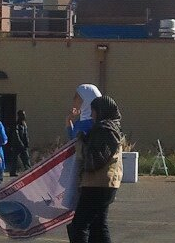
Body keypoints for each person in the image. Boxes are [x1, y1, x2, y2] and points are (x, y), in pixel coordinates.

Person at [68, 95, 123, 243]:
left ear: (101, 111)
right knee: (98, 226)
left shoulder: (105, 130)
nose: (92, 115)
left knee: (79, 226)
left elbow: (96, 158)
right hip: (106, 183)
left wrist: (80, 144)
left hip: (97, 184)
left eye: (93, 111)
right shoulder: (111, 128)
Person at [9, 110, 31, 177]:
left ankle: (28, 170)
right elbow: (16, 135)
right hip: (17, 145)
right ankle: (13, 172)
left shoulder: (24, 124)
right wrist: (21, 144)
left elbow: (26, 135)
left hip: (24, 145)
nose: (24, 116)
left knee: (26, 158)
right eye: (23, 115)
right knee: (15, 159)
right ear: (19, 116)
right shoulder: (17, 124)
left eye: (24, 114)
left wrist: (27, 143)